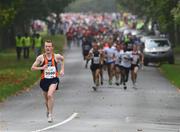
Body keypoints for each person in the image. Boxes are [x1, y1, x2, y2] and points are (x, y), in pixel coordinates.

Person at [31, 40, 64, 123]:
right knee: (46, 100)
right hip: (44, 80)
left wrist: (62, 69)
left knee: (50, 95)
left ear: (52, 48)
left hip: (54, 79)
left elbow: (62, 59)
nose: (48, 48)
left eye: (49, 46)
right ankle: (48, 110)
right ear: (44, 48)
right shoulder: (40, 58)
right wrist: (42, 68)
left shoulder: (56, 56)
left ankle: (50, 115)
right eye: (46, 46)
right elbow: (32, 68)